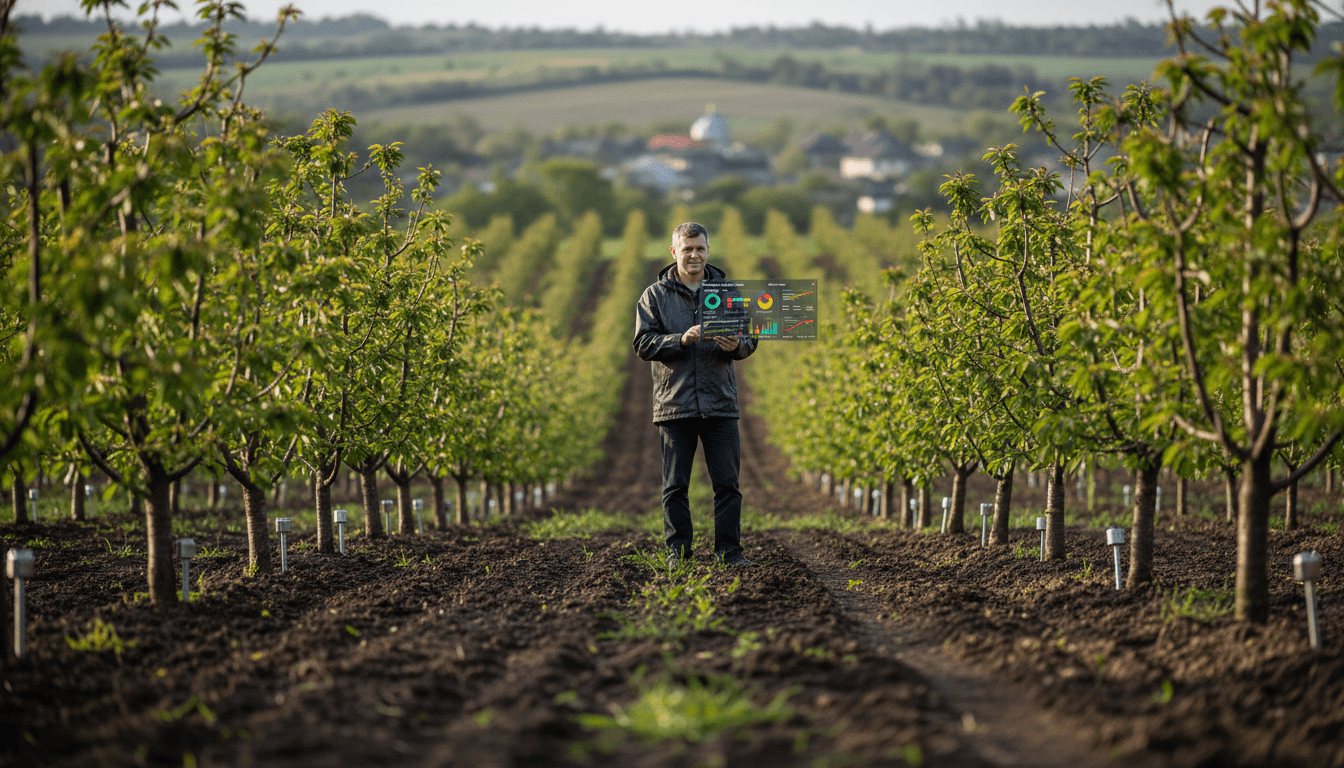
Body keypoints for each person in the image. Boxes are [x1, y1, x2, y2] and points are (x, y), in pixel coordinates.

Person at [633, 222, 758, 567]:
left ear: (708, 250)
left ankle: (730, 552)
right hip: (675, 404)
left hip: (719, 402)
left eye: (700, 248)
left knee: (728, 485)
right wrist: (680, 340)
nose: (694, 255)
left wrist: (738, 346)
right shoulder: (654, 296)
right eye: (687, 249)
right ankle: (678, 552)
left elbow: (750, 338)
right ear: (674, 252)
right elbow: (643, 344)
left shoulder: (729, 292)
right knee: (675, 486)